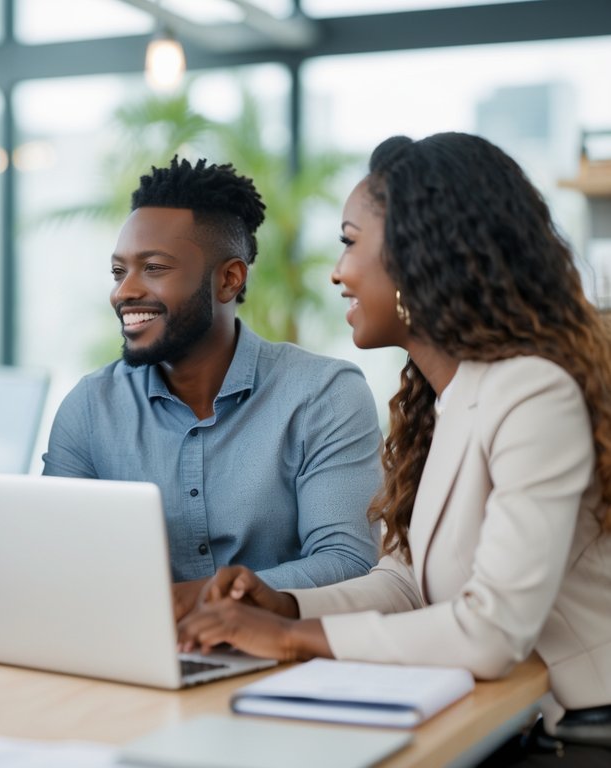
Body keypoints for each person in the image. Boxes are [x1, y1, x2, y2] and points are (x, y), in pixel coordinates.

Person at [178, 133, 611, 758]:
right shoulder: (446, 398)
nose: (337, 271)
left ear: (416, 257)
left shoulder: (532, 393)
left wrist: (294, 639)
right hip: (518, 723)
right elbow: (408, 583)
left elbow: (490, 632)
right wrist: (286, 605)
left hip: (584, 729)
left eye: (350, 242)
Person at [42, 157, 381, 618]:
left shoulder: (323, 394)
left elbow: (348, 563)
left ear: (229, 279)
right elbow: (55, 564)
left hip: (281, 659)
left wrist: (192, 600)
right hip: (136, 657)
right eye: (119, 272)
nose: (124, 292)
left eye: (154, 268)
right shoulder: (89, 407)